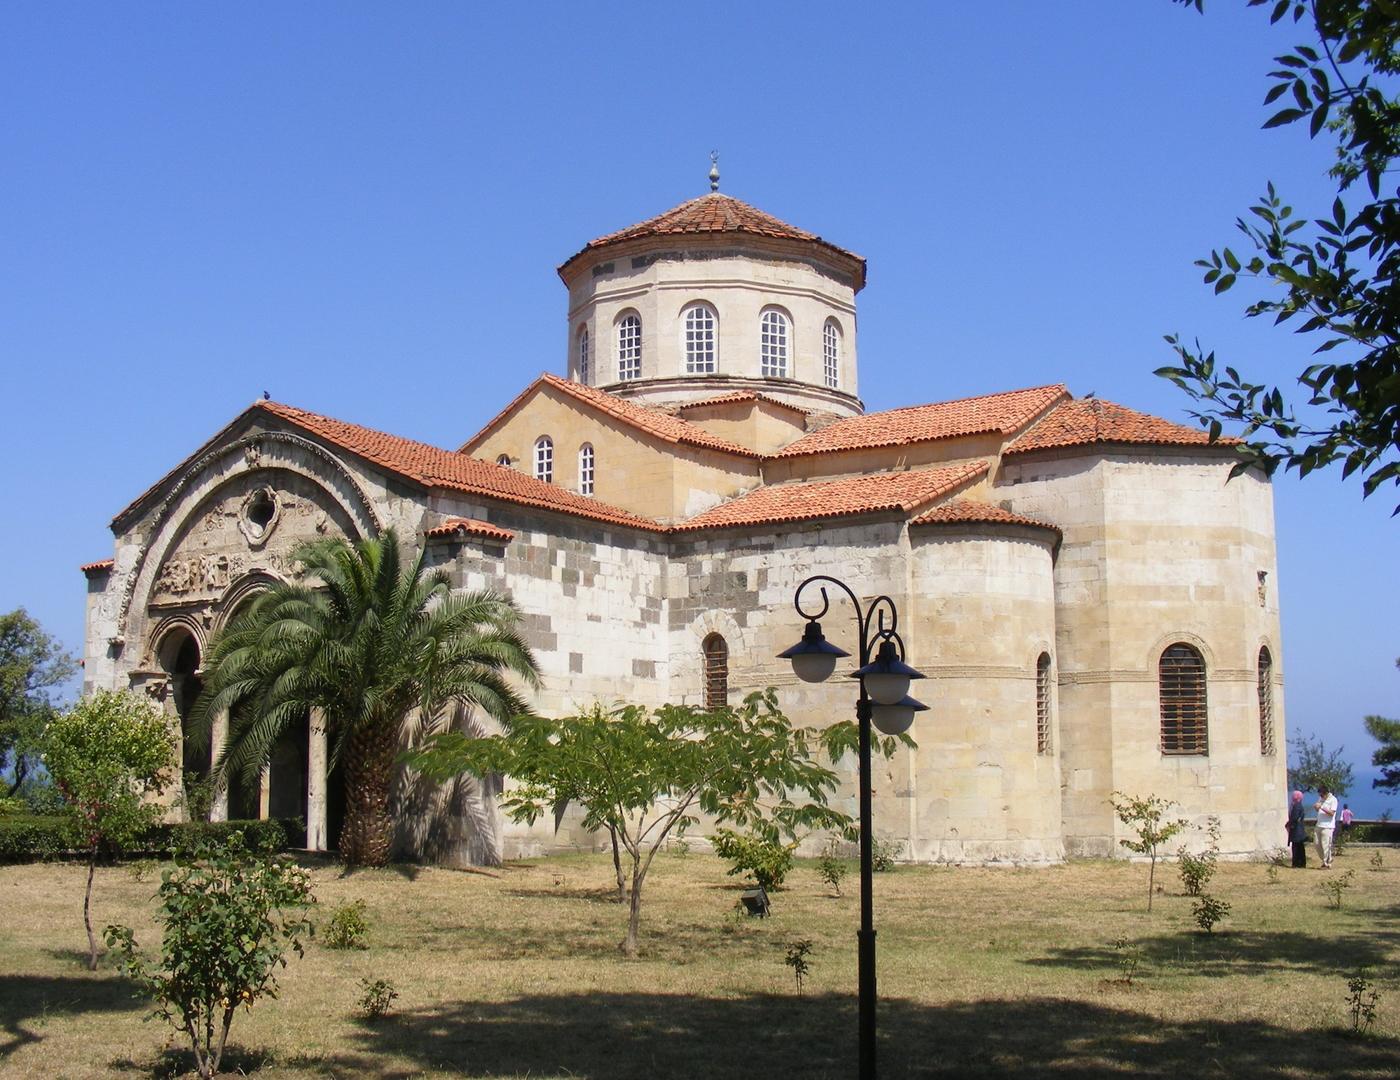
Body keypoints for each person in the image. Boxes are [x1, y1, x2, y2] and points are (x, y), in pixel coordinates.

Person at [1314, 786, 1339, 869]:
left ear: (1326, 793)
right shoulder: (1320, 799)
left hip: (1327, 826)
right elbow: (1318, 809)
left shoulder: (1333, 800)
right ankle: (1327, 859)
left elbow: (1332, 813)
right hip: (1319, 824)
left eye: (1321, 795)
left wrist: (1322, 807)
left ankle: (1326, 863)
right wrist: (1316, 807)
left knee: (1326, 845)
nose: (1320, 796)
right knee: (1317, 844)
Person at [1287, 790, 1307, 868]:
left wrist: (1288, 824)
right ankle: (1301, 863)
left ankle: (1296, 863)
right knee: (1300, 847)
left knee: (1296, 847)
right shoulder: (1299, 805)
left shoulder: (1296, 806)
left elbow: (1294, 817)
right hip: (1298, 829)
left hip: (1296, 830)